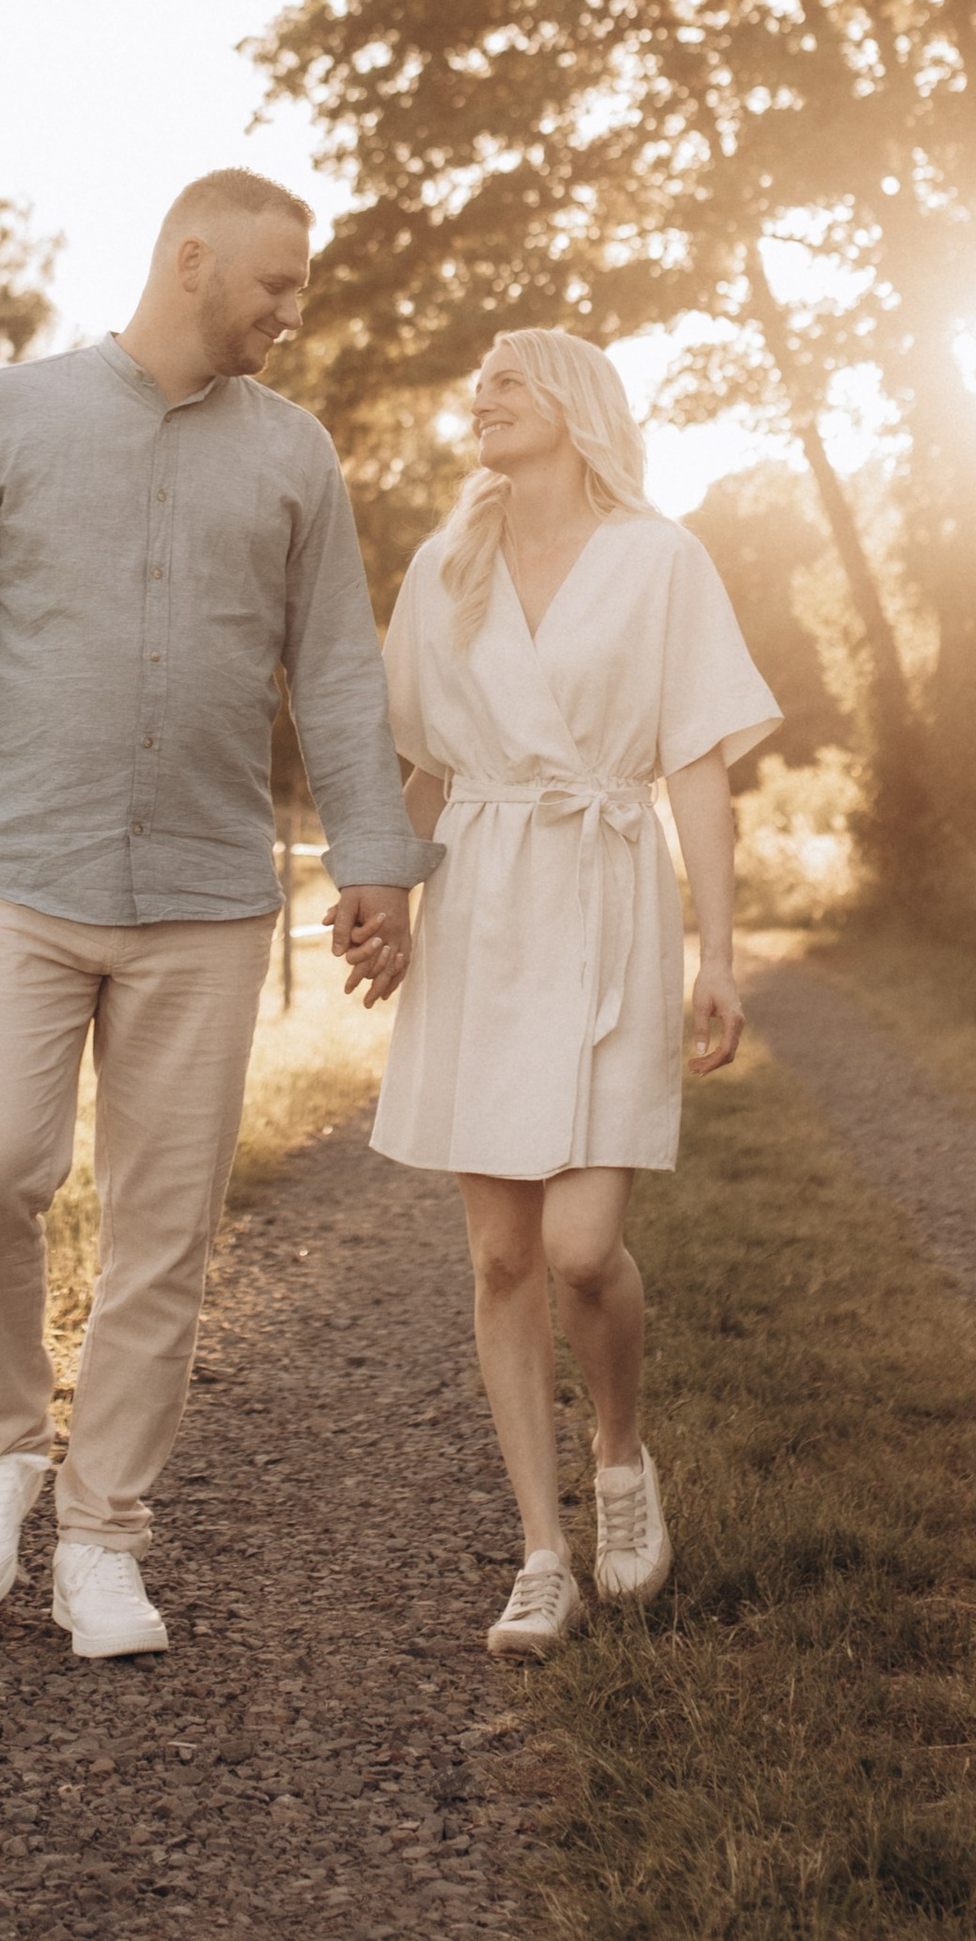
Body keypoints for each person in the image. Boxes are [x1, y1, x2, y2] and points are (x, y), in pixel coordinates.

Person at [0, 170, 439, 1662]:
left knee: (162, 1236)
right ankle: (3, 1449)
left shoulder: (297, 458)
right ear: (191, 259)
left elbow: (336, 670)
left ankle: (104, 1538)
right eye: (275, 284)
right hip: (21, 871)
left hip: (208, 902)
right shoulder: (12, 416)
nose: (292, 311)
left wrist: (376, 860)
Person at [372, 328, 778, 1657]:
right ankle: (541, 1551)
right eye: (476, 385)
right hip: (483, 900)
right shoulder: (446, 567)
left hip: (605, 898)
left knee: (583, 1250)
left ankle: (618, 1456)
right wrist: (382, 890)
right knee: (499, 1254)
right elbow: (424, 766)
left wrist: (717, 952)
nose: (480, 399)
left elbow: (697, 766)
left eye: (507, 379)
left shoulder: (661, 560)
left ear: (576, 405)